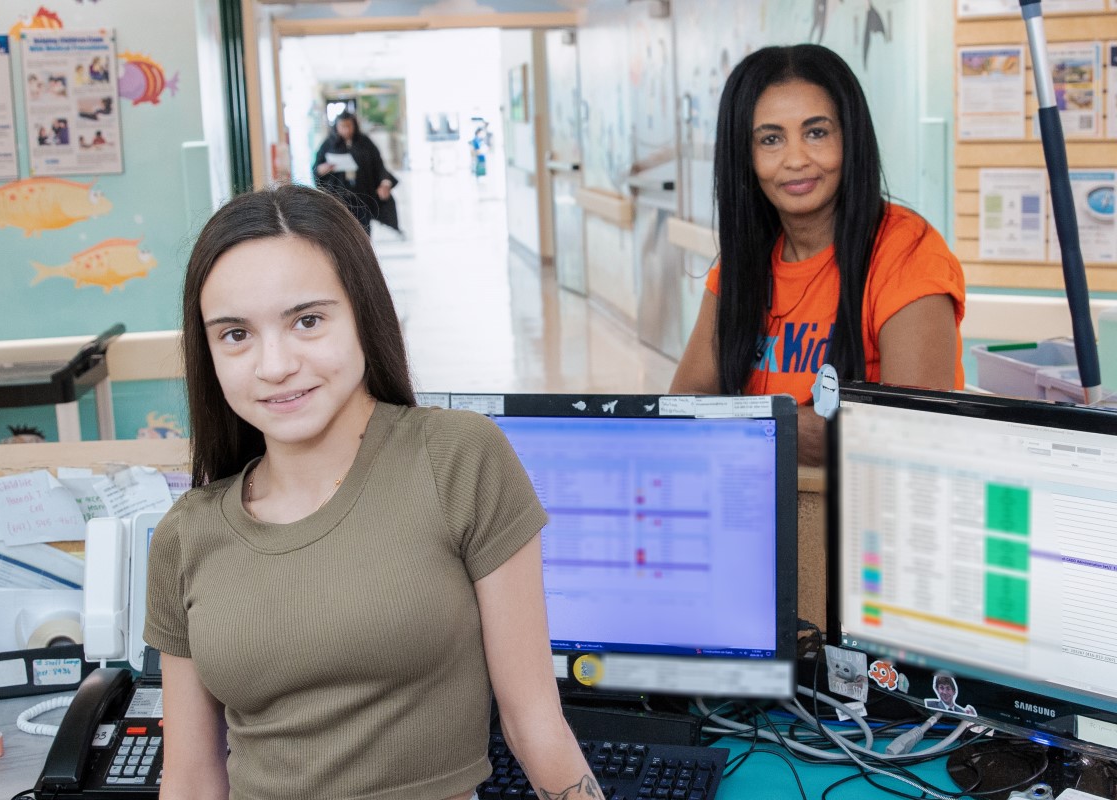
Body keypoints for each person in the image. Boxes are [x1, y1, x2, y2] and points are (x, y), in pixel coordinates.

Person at [143, 184, 600, 800]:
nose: (273, 365)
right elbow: (192, 780)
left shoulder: (459, 459)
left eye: (307, 321)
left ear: (365, 312)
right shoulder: (186, 532)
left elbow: (535, 725)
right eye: (235, 335)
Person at [670, 44, 965, 465]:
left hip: (866, 517)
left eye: (816, 132)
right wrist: (810, 428)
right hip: (763, 512)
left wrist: (742, 424)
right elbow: (683, 406)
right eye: (770, 139)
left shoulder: (908, 254)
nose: (795, 160)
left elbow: (912, 438)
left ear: (849, 137)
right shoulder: (745, 263)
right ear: (746, 157)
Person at [312, 111, 397, 234]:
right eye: (342, 126)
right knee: (342, 231)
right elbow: (316, 168)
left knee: (363, 231)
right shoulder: (328, 144)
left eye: (349, 126)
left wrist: (384, 183)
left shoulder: (366, 142)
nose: (346, 130)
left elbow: (378, 165)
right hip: (338, 196)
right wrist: (323, 169)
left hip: (362, 195)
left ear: (354, 125)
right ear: (337, 127)